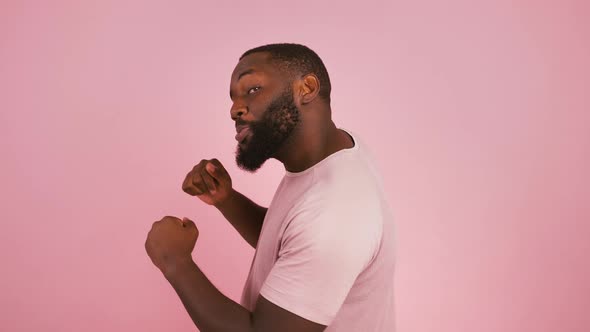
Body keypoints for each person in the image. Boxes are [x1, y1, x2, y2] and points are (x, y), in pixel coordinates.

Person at [145, 43, 396, 331]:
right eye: (233, 98)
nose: (234, 109)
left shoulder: (335, 212)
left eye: (252, 89)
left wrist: (174, 261)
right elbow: (292, 238)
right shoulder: (337, 154)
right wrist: (226, 199)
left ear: (307, 88)